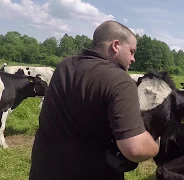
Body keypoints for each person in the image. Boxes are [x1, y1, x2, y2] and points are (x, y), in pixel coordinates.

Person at [29, 20, 159, 180]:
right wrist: (155, 145)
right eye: (132, 51)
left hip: (44, 171)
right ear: (116, 46)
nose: (133, 59)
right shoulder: (120, 80)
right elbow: (135, 148)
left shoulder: (65, 66)